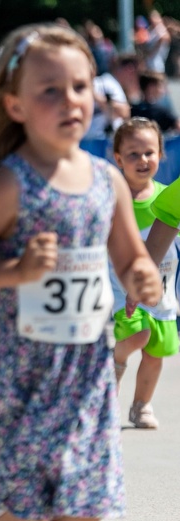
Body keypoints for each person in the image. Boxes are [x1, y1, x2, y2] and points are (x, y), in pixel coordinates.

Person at [0, 24, 162, 521]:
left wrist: (141, 274)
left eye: (79, 86)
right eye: (49, 90)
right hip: (20, 371)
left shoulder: (107, 179)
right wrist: (15, 272)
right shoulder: (13, 181)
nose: (69, 100)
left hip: (87, 372)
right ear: (16, 105)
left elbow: (129, 255)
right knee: (25, 519)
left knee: (85, 504)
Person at [109, 117, 178, 430]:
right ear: (118, 159)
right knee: (139, 335)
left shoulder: (167, 194)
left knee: (155, 353)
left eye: (149, 152)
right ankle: (116, 361)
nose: (143, 160)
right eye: (133, 154)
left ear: (161, 154)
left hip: (162, 291)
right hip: (123, 291)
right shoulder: (113, 198)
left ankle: (141, 405)